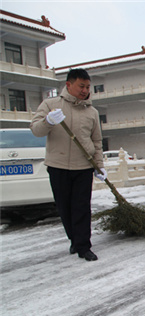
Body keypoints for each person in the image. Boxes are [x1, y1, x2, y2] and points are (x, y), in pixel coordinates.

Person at [31, 68, 107, 261]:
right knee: (64, 207)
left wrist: (99, 166)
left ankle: (83, 246)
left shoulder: (92, 112)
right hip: (58, 166)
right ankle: (74, 239)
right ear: (68, 85)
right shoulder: (51, 105)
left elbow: (97, 141)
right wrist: (48, 121)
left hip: (83, 166)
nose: (85, 90)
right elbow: (36, 130)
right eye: (81, 86)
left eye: (88, 87)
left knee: (82, 207)